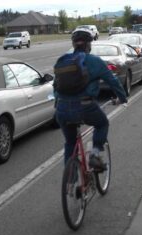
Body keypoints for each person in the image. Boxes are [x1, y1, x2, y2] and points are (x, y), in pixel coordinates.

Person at [54, 28, 127, 170]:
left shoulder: (62, 60)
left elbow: (56, 86)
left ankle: (71, 183)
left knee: (70, 142)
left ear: (74, 44)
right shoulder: (95, 61)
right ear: (89, 44)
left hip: (62, 108)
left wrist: (58, 104)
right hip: (84, 107)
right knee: (102, 124)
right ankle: (94, 155)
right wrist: (123, 98)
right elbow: (113, 81)